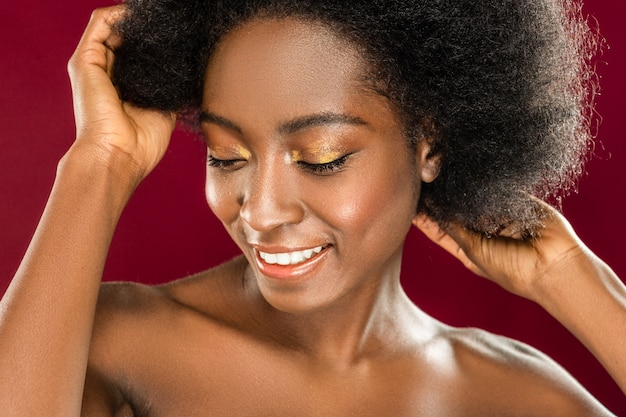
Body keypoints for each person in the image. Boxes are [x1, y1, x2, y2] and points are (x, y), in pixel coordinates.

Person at [0, 0, 624, 414]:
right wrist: (97, 165)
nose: (262, 211)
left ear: (429, 145)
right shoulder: (118, 341)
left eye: (321, 158)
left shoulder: (517, 397)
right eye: (226, 154)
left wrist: (572, 279)